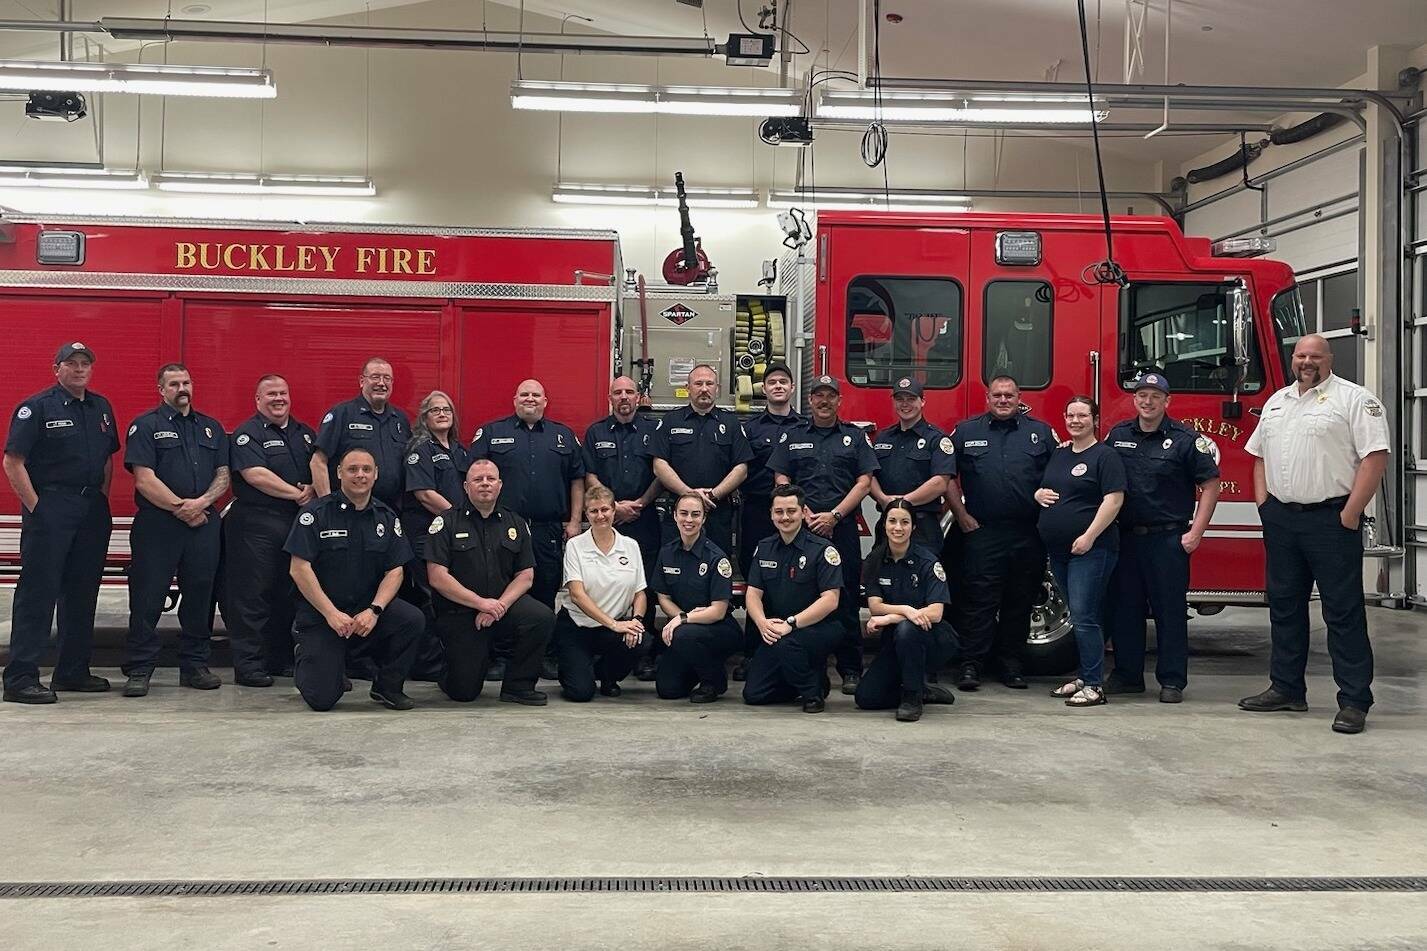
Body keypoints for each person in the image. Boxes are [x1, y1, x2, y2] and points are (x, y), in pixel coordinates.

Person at [1239, 333, 1390, 734]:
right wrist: (1265, 506)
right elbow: (1258, 456)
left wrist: (1350, 514)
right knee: (1284, 607)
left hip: (1331, 520)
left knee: (1342, 612)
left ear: (1330, 359)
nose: (1307, 362)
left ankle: (1354, 700)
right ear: (1293, 359)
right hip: (1282, 521)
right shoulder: (1277, 402)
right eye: (1301, 355)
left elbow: (1375, 458)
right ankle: (1286, 688)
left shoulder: (1354, 399)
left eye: (1315, 356)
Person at [2, 342, 120, 704]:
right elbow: (13, 461)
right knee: (39, 592)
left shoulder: (101, 407)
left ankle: (72, 671)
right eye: (72, 363)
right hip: (52, 505)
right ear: (57, 369)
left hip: (91, 508)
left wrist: (101, 499)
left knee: (82, 592)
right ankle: (20, 678)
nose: (80, 369)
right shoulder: (36, 407)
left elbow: (107, 459)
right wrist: (37, 508)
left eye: (85, 363)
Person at [1104, 372, 1220, 702]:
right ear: (1134, 399)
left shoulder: (1186, 440)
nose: (1148, 401)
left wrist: (1196, 533)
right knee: (1125, 609)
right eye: (1142, 395)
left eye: (1155, 396)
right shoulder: (1118, 435)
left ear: (1167, 401)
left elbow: (1211, 485)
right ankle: (1127, 675)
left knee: (1170, 612)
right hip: (1126, 538)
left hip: (1167, 540)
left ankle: (1172, 680)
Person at [285, 447, 424, 711]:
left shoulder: (386, 516)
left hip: (364, 611)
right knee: (322, 699)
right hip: (322, 614)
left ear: (376, 474)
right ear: (339, 473)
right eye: (352, 469)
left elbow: (395, 571)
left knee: (411, 620)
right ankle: (310, 655)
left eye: (366, 469)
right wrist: (331, 614)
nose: (360, 475)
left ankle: (387, 687)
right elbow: (299, 569)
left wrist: (374, 610)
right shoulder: (316, 513)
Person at [121, 364, 230, 698]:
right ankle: (140, 668)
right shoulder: (145, 426)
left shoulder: (211, 428)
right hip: (158, 525)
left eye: (186, 382)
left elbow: (223, 474)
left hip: (203, 524)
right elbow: (144, 479)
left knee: (200, 596)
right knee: (147, 597)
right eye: (173, 384)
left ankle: (195, 665)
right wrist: (181, 508)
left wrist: (201, 504)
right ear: (161, 389)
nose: (182, 388)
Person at [768, 374, 879, 693]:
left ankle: (850, 668)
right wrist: (801, 512)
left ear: (839, 401)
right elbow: (781, 477)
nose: (824, 401)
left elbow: (864, 482)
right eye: (818, 395)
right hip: (800, 530)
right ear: (810, 400)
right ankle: (801, 665)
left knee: (845, 598)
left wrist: (835, 515)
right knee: (799, 596)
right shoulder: (793, 435)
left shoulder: (855, 437)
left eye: (830, 396)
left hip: (841, 528)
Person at [471, 379, 586, 681]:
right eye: (524, 394)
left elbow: (577, 480)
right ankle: (501, 654)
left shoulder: (563, 436)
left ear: (545, 402)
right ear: (515, 400)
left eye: (536, 395)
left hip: (547, 529)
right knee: (500, 588)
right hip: (502, 527)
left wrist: (575, 521)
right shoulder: (492, 433)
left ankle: (542, 654)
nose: (530, 399)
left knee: (546, 589)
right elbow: (474, 476)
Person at [946, 375, 1054, 691]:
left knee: (1019, 601)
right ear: (988, 398)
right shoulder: (966, 432)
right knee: (978, 601)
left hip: (1028, 532)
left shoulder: (1041, 433)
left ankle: (1011, 665)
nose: (1003, 400)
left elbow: (1059, 474)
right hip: (983, 531)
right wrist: (961, 515)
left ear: (1019, 398)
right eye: (997, 395)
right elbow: (945, 476)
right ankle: (971, 664)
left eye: (1009, 395)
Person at [424, 459, 555, 705]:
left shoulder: (515, 522)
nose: (485, 483)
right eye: (478, 479)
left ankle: (518, 686)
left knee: (541, 617)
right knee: (464, 692)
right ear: (466, 486)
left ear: (500, 485)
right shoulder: (447, 522)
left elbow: (526, 576)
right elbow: (437, 576)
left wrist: (499, 606)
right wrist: (481, 603)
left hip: (503, 607)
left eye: (490, 479)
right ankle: (451, 668)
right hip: (461, 611)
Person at [224, 374, 317, 686]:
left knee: (286, 593)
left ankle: (279, 658)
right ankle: (249, 665)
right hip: (256, 523)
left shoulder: (305, 434)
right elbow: (255, 475)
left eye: (283, 393)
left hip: (295, 523)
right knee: (252, 596)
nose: (278, 399)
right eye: (271, 394)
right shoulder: (247, 434)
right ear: (258, 400)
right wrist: (299, 494)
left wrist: (313, 489)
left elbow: (319, 468)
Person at [1034, 396, 1125, 707]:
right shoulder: (1060, 454)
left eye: (1082, 416)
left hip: (1092, 550)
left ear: (1095, 420)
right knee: (1078, 615)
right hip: (1060, 551)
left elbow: (1113, 500)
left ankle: (1095, 685)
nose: (1075, 421)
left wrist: (1089, 536)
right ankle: (1084, 678)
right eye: (1070, 415)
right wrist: (1038, 493)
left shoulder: (1105, 456)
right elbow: (1049, 486)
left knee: (1086, 616)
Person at [583, 376, 662, 680]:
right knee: (602, 582)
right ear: (610, 398)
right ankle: (603, 645)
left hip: (645, 519)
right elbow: (590, 475)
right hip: (607, 520)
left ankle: (642, 651)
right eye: (618, 392)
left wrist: (640, 503)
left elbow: (661, 472)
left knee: (644, 586)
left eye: (630, 392)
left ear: (638, 397)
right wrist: (614, 508)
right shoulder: (596, 432)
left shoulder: (653, 430)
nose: (624, 397)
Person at [742, 484, 844, 713]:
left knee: (788, 643)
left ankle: (812, 693)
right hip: (778, 628)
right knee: (754, 694)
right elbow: (753, 593)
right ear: (771, 514)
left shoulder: (823, 549)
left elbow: (831, 599)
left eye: (791, 511)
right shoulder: (764, 548)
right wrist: (762, 623)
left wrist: (791, 624)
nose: (785, 517)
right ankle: (810, 679)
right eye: (779, 511)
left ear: (803, 512)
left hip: (818, 628)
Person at [855, 500, 959, 722]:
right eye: (892, 521)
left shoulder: (927, 561)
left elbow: (935, 612)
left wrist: (893, 617)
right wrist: (906, 610)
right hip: (895, 642)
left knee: (906, 628)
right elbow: (875, 606)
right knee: (866, 698)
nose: (898, 528)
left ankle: (912, 699)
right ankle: (921, 689)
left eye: (904, 522)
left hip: (933, 638)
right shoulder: (875, 560)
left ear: (913, 527)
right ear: (884, 525)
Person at [736, 362, 802, 678]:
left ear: (792, 388)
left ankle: (794, 649)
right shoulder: (750, 429)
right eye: (772, 382)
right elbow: (740, 469)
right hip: (757, 512)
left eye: (783, 381)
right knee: (757, 580)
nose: (777, 386)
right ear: (764, 389)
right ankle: (753, 654)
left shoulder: (805, 427)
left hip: (793, 515)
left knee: (795, 582)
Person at [552, 486, 647, 701]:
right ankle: (574, 668)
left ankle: (607, 677)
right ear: (586, 514)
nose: (600, 515)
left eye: (605, 509)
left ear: (614, 510)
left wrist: (636, 621)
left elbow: (640, 592)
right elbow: (577, 594)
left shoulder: (630, 546)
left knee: (642, 640)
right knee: (580, 693)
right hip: (577, 626)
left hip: (613, 627)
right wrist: (614, 625)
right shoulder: (575, 546)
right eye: (594, 511)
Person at [649, 363, 753, 557]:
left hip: (717, 513)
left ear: (717, 388)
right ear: (688, 388)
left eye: (709, 383)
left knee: (718, 565)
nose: (704, 389)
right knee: (674, 566)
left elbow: (741, 469)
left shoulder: (731, 423)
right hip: (680, 513)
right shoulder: (670, 421)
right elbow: (659, 465)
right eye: (698, 384)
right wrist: (690, 495)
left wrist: (712, 495)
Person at [402, 390, 471, 680]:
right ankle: (426, 664)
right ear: (424, 417)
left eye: (447, 410)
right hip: (425, 534)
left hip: (451, 535)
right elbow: (425, 495)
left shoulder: (459, 450)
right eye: (435, 410)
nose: (442, 414)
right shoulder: (420, 448)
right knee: (431, 596)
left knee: (449, 597)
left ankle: (447, 657)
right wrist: (461, 519)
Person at [652, 493, 741, 703]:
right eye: (683, 513)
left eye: (695, 514)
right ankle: (702, 666)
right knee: (668, 689)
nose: (689, 520)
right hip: (685, 629)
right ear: (675, 516)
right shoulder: (666, 553)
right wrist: (681, 618)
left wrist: (683, 620)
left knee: (683, 634)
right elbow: (663, 598)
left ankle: (714, 681)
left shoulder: (716, 557)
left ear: (704, 518)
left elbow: (718, 611)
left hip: (719, 627)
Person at [869, 377, 956, 549]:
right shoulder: (883, 438)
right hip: (888, 522)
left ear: (922, 401)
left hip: (922, 526)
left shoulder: (936, 439)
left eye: (911, 399)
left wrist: (902, 503)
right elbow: (868, 475)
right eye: (900, 399)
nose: (905, 404)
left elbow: (940, 483)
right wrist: (882, 498)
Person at [311, 357, 411, 507]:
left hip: (391, 511)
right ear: (362, 381)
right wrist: (327, 507)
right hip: (349, 509)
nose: (381, 383)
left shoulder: (400, 419)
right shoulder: (342, 414)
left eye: (387, 378)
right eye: (375, 377)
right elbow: (318, 462)